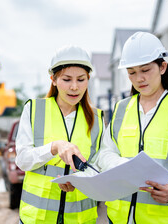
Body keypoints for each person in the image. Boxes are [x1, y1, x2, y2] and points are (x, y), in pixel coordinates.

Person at [97, 32, 168, 224]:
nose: (139, 78)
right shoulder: (121, 108)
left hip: (162, 218)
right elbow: (105, 153)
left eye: (145, 70)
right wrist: (121, 166)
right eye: (132, 72)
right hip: (118, 218)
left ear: (162, 67)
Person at [15, 45, 104, 224]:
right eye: (66, 79)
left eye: (81, 79)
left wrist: (79, 180)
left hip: (80, 219)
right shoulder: (34, 110)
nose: (74, 87)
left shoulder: (97, 119)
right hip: (38, 219)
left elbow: (97, 167)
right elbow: (23, 160)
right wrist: (54, 147)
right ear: (53, 80)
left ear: (88, 80)